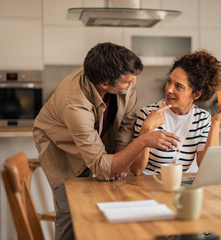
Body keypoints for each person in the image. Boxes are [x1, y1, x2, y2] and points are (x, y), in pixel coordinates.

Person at [33, 42, 180, 240]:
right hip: (60, 148)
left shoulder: (122, 80)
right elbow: (101, 166)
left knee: (107, 201)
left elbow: (127, 123)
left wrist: (119, 162)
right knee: (72, 213)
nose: (133, 84)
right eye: (127, 82)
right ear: (104, 84)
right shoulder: (75, 103)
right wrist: (143, 141)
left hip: (92, 139)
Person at [130, 50, 221, 175]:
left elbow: (207, 166)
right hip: (145, 188)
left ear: (196, 94)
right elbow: (136, 170)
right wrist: (146, 129)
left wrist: (215, 123)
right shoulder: (148, 114)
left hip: (178, 188)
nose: (169, 89)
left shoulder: (202, 119)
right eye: (169, 81)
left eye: (178, 86)